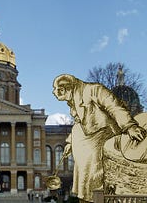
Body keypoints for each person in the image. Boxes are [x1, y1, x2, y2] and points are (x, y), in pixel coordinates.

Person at [52, 74, 146, 202]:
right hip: (87, 139)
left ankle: (99, 197)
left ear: (65, 89)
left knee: (96, 172)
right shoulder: (74, 99)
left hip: (104, 133)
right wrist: (70, 142)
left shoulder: (94, 90)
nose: (56, 95)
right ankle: (88, 198)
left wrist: (130, 126)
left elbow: (114, 107)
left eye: (58, 93)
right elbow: (78, 124)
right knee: (84, 177)